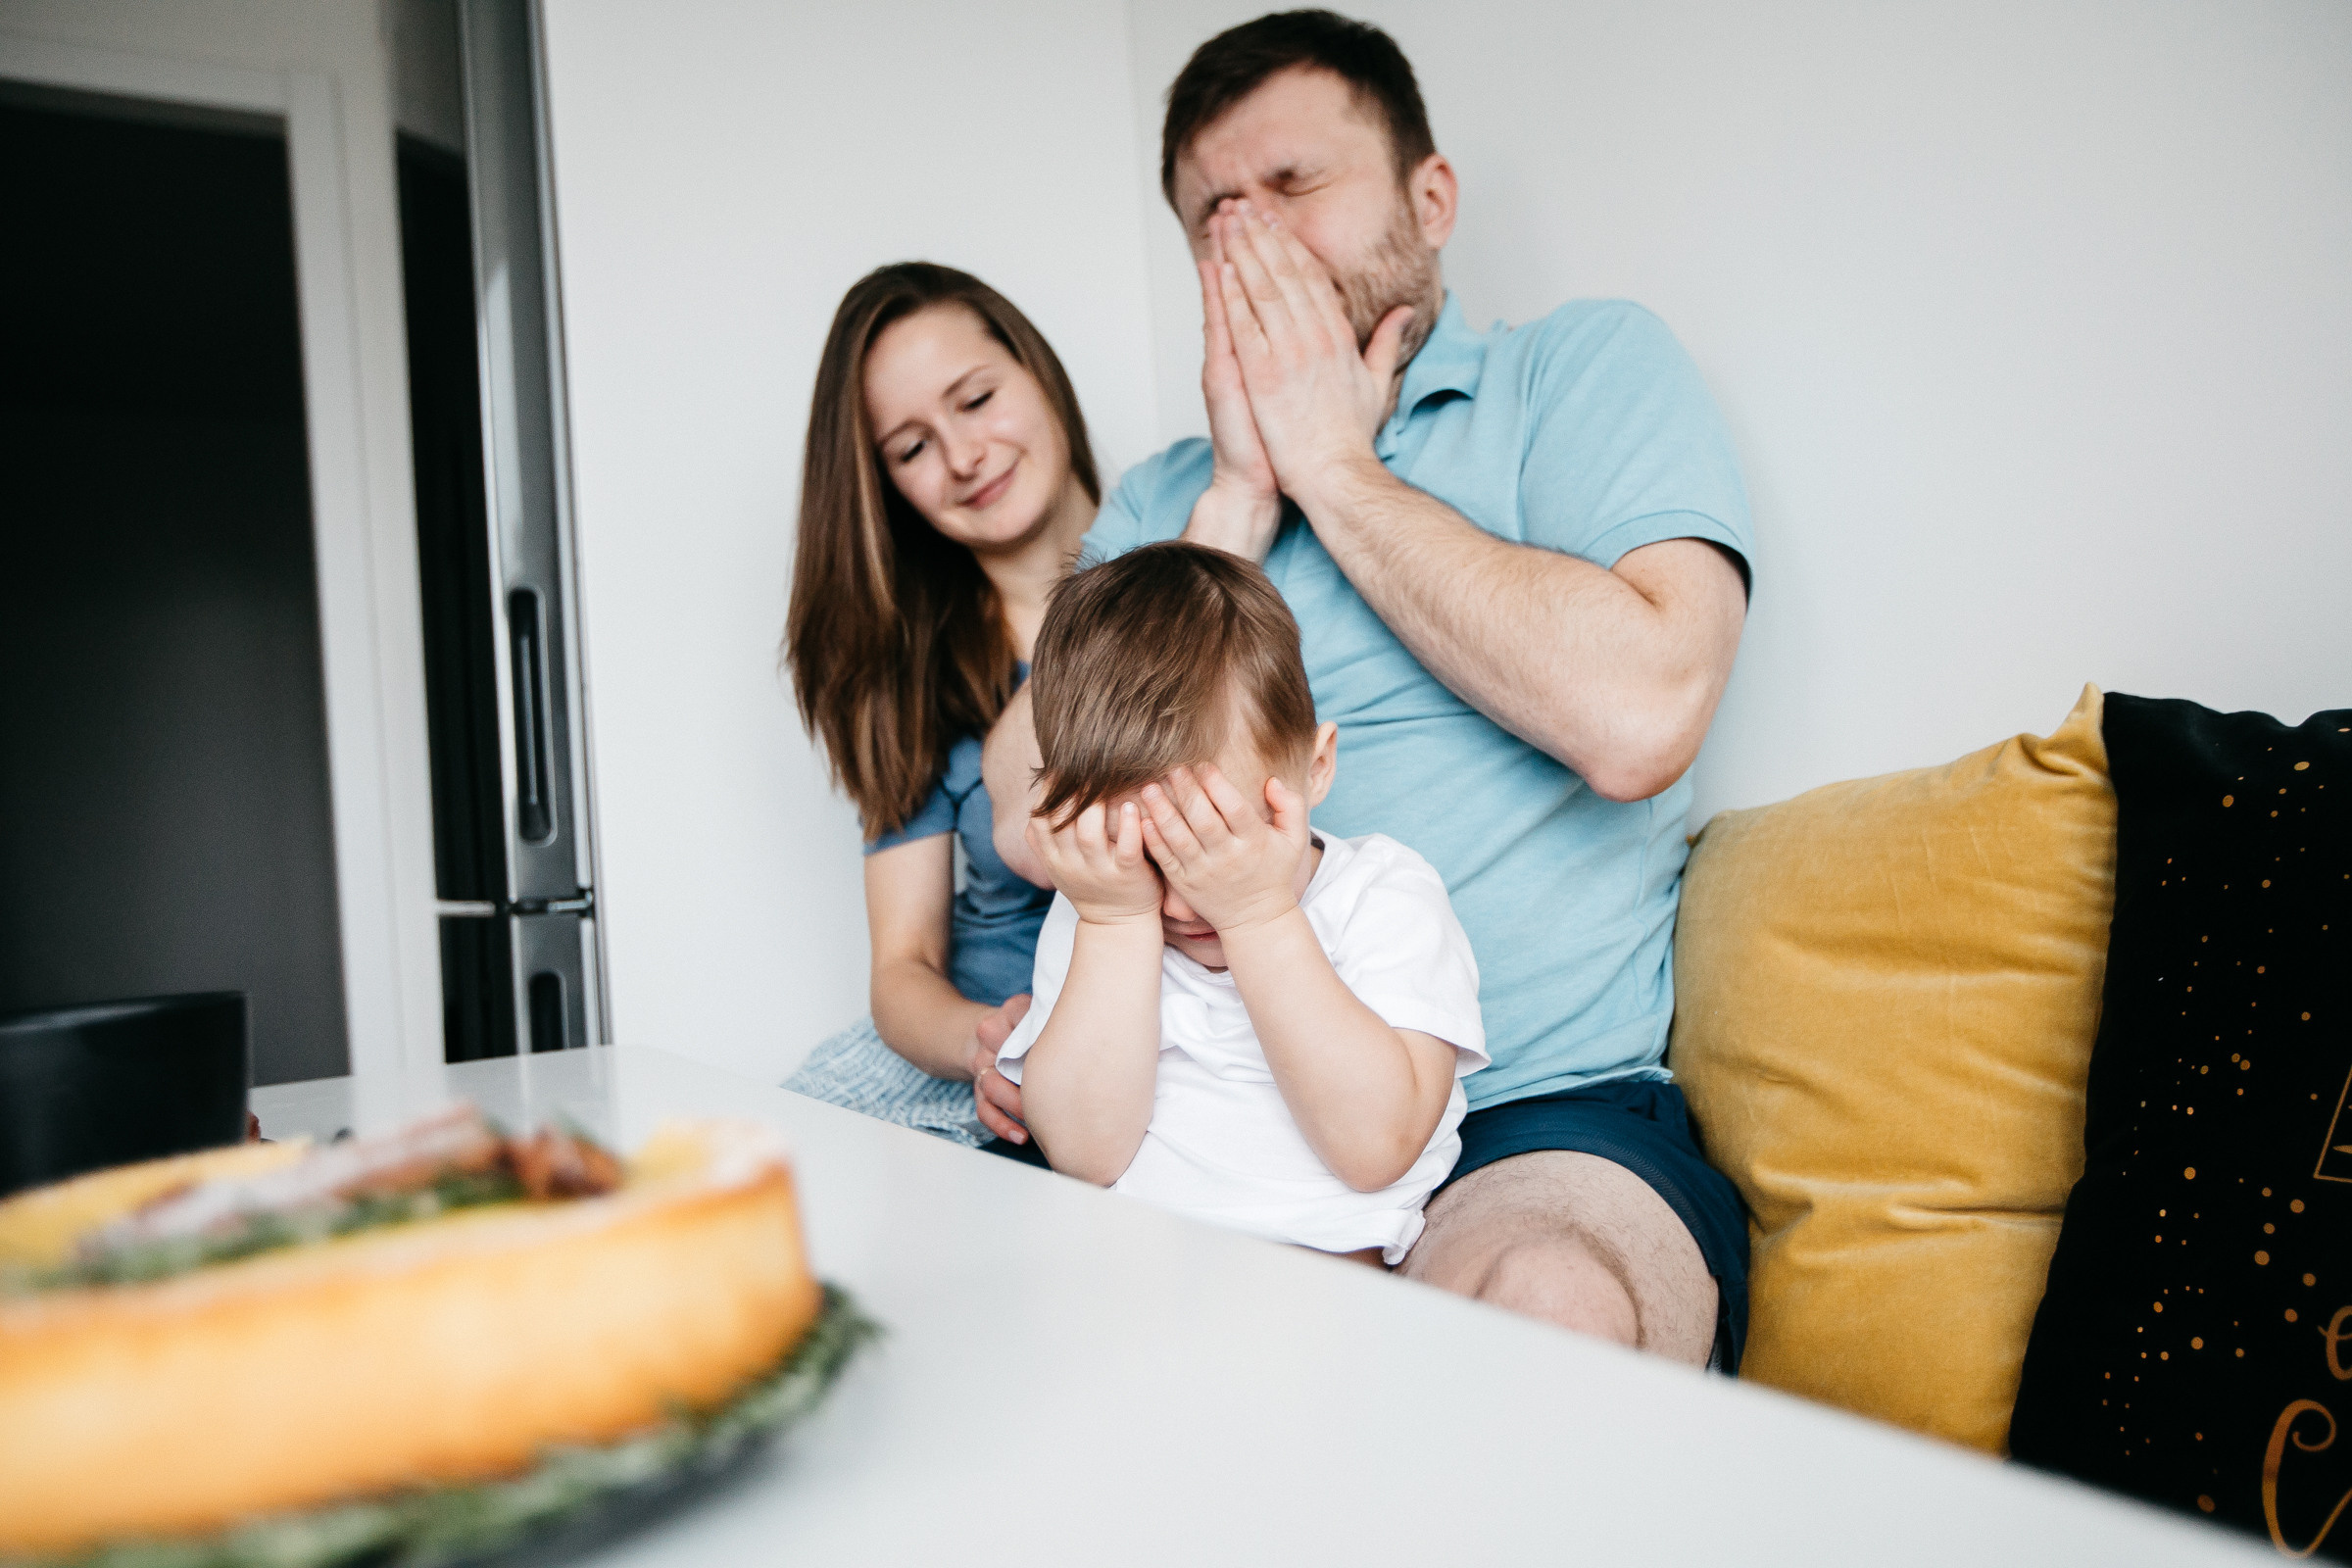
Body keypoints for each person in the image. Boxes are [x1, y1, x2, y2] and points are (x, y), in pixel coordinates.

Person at [983, 12, 1756, 1366]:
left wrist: (1336, 470)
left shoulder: (1575, 372)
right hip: (1194, 1110)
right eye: (1215, 215)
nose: (1254, 240)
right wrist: (1239, 493)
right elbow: (1022, 808)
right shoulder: (1171, 500)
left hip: (1533, 1114)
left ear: (1429, 199)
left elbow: (1642, 716)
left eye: (1293, 187)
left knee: (1548, 1317)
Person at [999, 543, 1486, 1264]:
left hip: (1325, 1280)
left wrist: (1258, 915)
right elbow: (1085, 1157)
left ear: (1315, 768)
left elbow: (1375, 1149)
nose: (1188, 892)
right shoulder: (1101, 907)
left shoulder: (1385, 898)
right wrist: (1114, 920)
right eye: (1146, 851)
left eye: (1219, 840)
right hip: (1132, 1268)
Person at [781, 263, 1089, 1160]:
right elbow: (903, 966)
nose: (962, 458)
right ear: (886, 490)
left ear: (1037, 370)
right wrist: (979, 1044)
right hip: (988, 1067)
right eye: (912, 448)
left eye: (977, 398)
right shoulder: (904, 673)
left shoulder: (1198, 552)